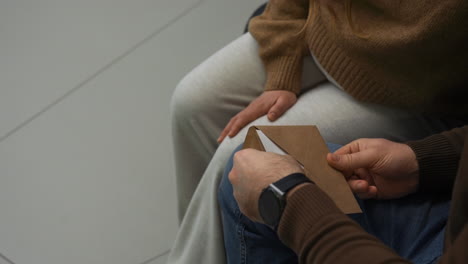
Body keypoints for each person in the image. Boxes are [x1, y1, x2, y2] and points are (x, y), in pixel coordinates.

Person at [168, 0, 468, 263]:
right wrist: (283, 68)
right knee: (189, 101)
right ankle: (199, 240)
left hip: (420, 94)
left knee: (244, 150)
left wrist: (288, 203)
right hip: (325, 31)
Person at [223, 125, 468, 263]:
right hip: (455, 217)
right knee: (244, 162)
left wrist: (288, 202)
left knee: (253, 176)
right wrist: (424, 160)